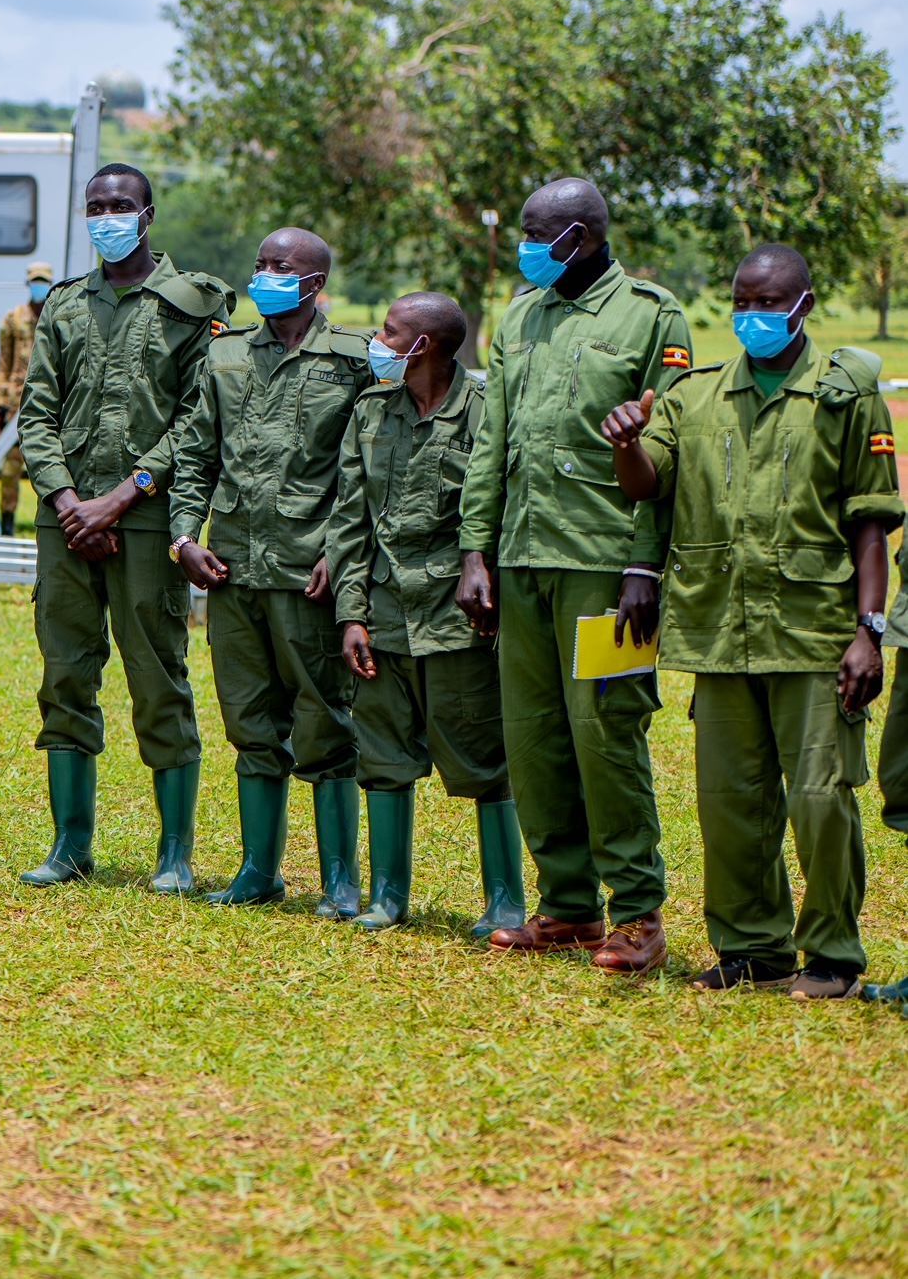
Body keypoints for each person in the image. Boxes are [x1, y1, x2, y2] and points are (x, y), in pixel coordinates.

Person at [603, 244, 898, 999]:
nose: (753, 316)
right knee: (730, 803)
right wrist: (627, 444)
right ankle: (752, 951)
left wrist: (871, 630)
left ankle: (831, 956)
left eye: (770, 303)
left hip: (812, 632)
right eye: (743, 301)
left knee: (820, 800)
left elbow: (870, 523)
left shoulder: (845, 393)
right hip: (718, 630)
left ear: (803, 303)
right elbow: (648, 483)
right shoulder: (694, 395)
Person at [456, 177, 692, 973]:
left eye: (538, 232)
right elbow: (492, 442)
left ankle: (637, 915)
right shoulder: (523, 313)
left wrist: (642, 564)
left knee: (605, 734)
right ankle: (566, 907)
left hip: (604, 564)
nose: (526, 244)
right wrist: (474, 552)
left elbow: (668, 451)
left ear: (582, 236)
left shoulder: (653, 315)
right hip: (523, 560)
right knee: (534, 741)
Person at [18, 163, 228, 892]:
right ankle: (69, 845)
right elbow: (36, 411)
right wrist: (69, 499)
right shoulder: (66, 305)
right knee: (65, 674)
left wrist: (123, 496)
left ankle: (175, 854)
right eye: (96, 206)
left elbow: (198, 419)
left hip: (145, 521)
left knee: (158, 677)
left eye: (120, 205)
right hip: (66, 521)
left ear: (147, 215)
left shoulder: (189, 305)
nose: (106, 216)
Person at [172, 227, 373, 915]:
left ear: (314, 283)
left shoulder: (351, 360)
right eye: (259, 264)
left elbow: (365, 469)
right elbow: (197, 453)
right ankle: (259, 871)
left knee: (325, 725)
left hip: (307, 571)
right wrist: (182, 538)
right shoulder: (225, 355)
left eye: (279, 267)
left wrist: (339, 555)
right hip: (231, 571)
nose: (264, 275)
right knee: (250, 725)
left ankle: (341, 881)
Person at [328, 292, 524, 935]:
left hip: (457, 616)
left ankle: (504, 898)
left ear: (427, 346)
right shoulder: (370, 411)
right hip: (384, 613)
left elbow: (497, 513)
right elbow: (350, 520)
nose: (376, 342)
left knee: (482, 758)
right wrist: (351, 614)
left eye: (389, 332)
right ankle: (388, 894)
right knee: (381, 755)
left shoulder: (486, 412)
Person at [0, 262, 52, 538]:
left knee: (49, 470)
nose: (39, 287)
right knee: (9, 470)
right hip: (16, 405)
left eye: (43, 282)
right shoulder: (13, 319)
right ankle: (7, 523)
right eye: (35, 281)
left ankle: (49, 525)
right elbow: (4, 363)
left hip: (50, 408)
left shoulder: (57, 316)